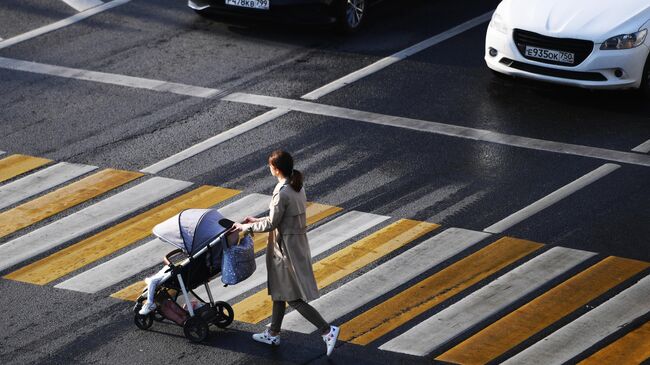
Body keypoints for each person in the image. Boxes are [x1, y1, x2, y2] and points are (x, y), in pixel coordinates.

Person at [233, 150, 339, 357]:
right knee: (280, 292)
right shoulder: (295, 185)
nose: (269, 169)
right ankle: (273, 332)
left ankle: (327, 330)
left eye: (270, 166)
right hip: (295, 243)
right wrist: (257, 221)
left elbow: (273, 222)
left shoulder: (282, 192)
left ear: (276, 169)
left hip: (285, 249)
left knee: (293, 297)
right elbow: (281, 217)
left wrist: (246, 228)